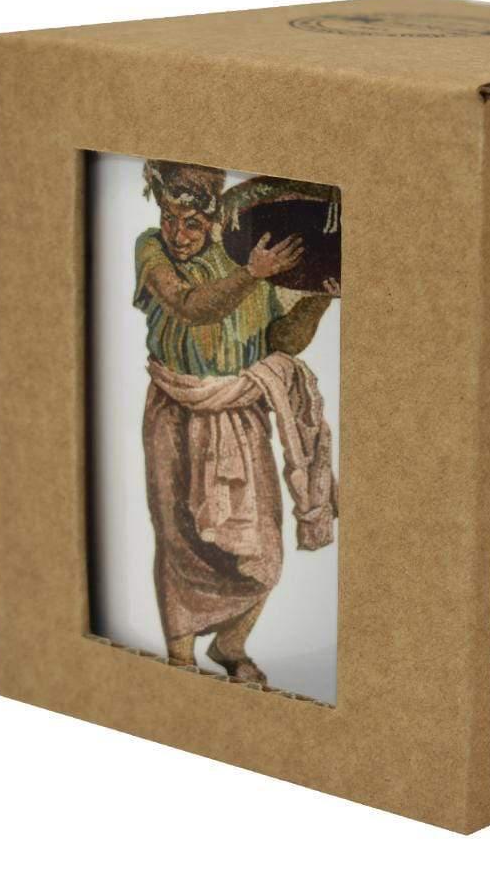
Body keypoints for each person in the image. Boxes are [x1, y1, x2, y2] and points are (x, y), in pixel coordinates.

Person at [133, 160, 339, 684]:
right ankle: (180, 656)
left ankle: (230, 645)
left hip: (241, 415)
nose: (178, 233)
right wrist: (252, 275)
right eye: (170, 218)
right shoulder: (151, 249)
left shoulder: (248, 255)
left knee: (261, 550)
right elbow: (188, 306)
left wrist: (320, 295)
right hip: (177, 409)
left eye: (192, 223)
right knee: (181, 539)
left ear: (213, 223)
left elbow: (283, 342)